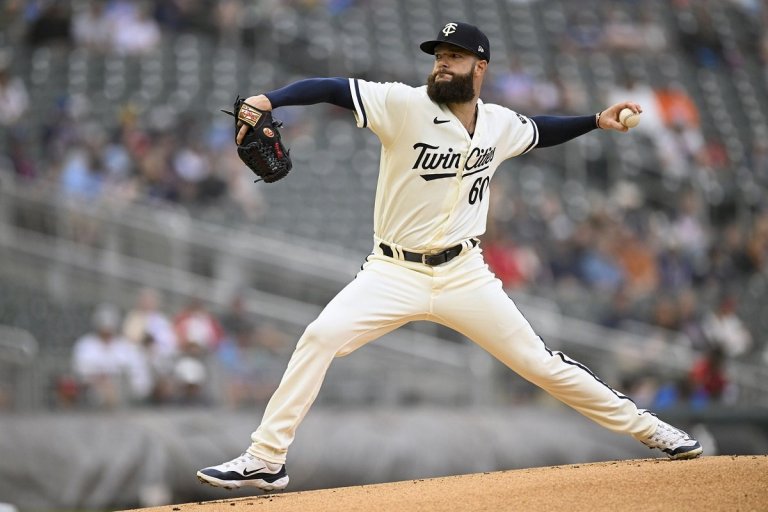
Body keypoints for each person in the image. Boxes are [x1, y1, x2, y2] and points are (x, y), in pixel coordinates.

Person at [197, 22, 702, 492]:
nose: (442, 63)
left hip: (465, 275)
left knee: (540, 364)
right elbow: (333, 87)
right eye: (438, 55)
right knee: (320, 337)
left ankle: (653, 430)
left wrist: (594, 121)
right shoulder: (402, 104)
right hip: (392, 271)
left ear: (479, 68)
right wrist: (272, 98)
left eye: (454, 57)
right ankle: (266, 458)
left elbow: (539, 130)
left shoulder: (499, 125)